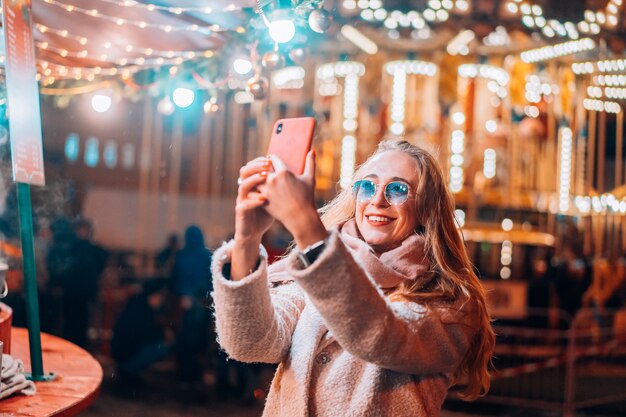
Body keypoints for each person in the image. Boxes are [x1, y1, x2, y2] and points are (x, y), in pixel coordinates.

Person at [211, 139, 495, 416]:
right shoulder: (316, 271)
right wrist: (247, 237)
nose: (377, 200)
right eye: (367, 186)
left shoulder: (448, 301)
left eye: (398, 189)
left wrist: (305, 224)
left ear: (427, 209)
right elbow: (249, 343)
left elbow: (377, 335)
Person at [170, 225, 212, 384]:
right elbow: (211, 281)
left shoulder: (181, 256)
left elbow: (174, 280)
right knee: (199, 341)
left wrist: (182, 295)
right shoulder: (207, 256)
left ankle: (184, 375)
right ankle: (196, 376)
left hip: (182, 305)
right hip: (202, 305)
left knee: (183, 340)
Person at [111, 278, 173, 383]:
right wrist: (163, 335)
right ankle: (128, 371)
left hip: (123, 352)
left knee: (160, 346)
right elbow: (144, 335)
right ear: (153, 295)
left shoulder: (138, 304)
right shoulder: (141, 310)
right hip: (125, 355)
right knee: (162, 347)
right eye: (160, 296)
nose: (161, 300)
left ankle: (130, 372)